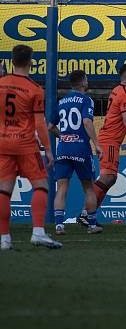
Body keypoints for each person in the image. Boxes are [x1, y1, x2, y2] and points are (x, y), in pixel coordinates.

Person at [78, 63, 126, 226]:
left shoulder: (118, 90)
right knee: (108, 177)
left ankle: (88, 214)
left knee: (111, 178)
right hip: (110, 141)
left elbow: (117, 113)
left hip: (109, 139)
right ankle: (86, 213)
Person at [0, 45, 60, 249]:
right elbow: (40, 123)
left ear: (12, 61)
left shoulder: (0, 83)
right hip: (25, 144)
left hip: (2, 143)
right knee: (41, 185)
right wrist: (49, 149)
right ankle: (38, 232)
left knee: (4, 191)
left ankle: (4, 239)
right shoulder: (34, 89)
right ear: (30, 62)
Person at [51, 70, 103, 235]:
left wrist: (64, 137)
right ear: (82, 82)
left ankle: (59, 226)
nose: (87, 82)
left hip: (63, 149)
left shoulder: (61, 101)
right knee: (88, 188)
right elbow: (87, 121)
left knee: (61, 188)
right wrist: (97, 143)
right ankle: (92, 225)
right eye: (86, 79)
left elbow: (50, 126)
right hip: (80, 148)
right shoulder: (86, 100)